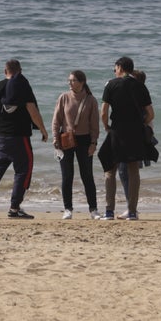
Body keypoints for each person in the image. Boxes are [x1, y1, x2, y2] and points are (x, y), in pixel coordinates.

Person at [0, 58, 49, 219]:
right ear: (20, 71)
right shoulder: (23, 86)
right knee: (23, 171)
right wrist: (43, 130)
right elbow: (33, 111)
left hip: (2, 138)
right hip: (20, 138)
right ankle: (14, 209)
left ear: (5, 71)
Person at [100, 56, 154, 221]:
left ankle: (109, 211)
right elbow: (151, 114)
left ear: (120, 67)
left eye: (115, 68)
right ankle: (132, 212)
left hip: (117, 130)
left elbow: (104, 112)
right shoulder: (140, 86)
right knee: (133, 170)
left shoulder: (111, 84)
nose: (115, 71)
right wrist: (141, 124)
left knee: (110, 170)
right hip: (135, 132)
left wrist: (106, 126)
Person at [51, 70, 101, 220]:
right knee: (67, 176)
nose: (70, 83)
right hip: (66, 139)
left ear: (82, 82)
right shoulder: (64, 97)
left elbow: (94, 125)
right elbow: (56, 120)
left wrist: (93, 142)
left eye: (73, 80)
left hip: (85, 140)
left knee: (87, 176)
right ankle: (68, 209)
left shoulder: (91, 100)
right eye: (69, 80)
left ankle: (93, 209)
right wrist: (55, 138)